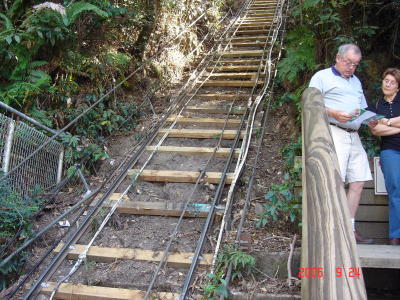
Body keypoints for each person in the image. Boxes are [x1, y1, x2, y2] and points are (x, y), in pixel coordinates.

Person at [309, 43, 373, 244]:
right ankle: (332, 230)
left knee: (358, 181)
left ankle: (349, 227)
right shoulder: (322, 77)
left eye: (355, 64)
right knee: (336, 181)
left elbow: (362, 109)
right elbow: (309, 103)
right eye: (348, 62)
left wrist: (373, 119)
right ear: (338, 58)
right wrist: (334, 113)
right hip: (334, 132)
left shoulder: (356, 82)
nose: (351, 67)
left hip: (354, 135)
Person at [368, 68, 400, 245]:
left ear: (398, 87)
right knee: (395, 190)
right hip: (391, 152)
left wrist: (386, 122)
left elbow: (382, 126)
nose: (388, 84)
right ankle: (396, 235)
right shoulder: (377, 105)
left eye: (392, 82)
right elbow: (375, 130)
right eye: (386, 80)